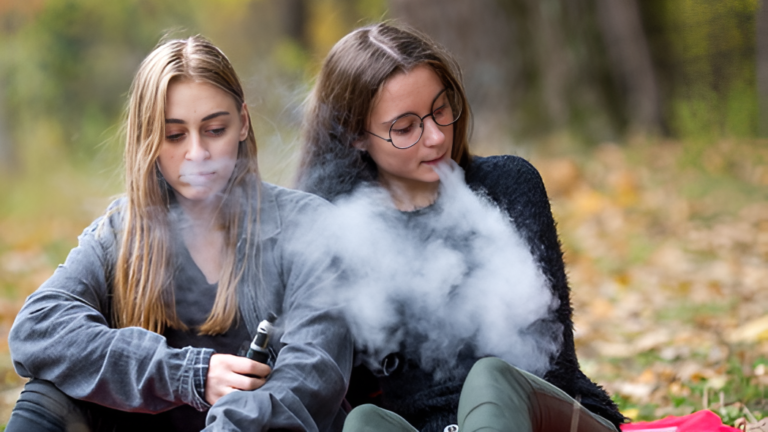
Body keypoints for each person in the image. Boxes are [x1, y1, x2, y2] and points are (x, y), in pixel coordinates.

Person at [7, 35, 352, 432]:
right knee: (47, 395)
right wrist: (189, 374)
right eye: (174, 135)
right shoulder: (121, 231)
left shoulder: (308, 227)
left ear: (242, 122)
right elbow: (38, 328)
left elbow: (313, 375)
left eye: (214, 129)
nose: (197, 154)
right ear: (148, 141)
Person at [297, 23, 625, 432]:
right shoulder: (337, 228)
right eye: (405, 128)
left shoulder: (508, 185)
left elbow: (551, 362)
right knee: (363, 422)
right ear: (355, 136)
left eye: (440, 110)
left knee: (490, 378)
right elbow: (343, 391)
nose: (436, 137)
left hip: (545, 417)